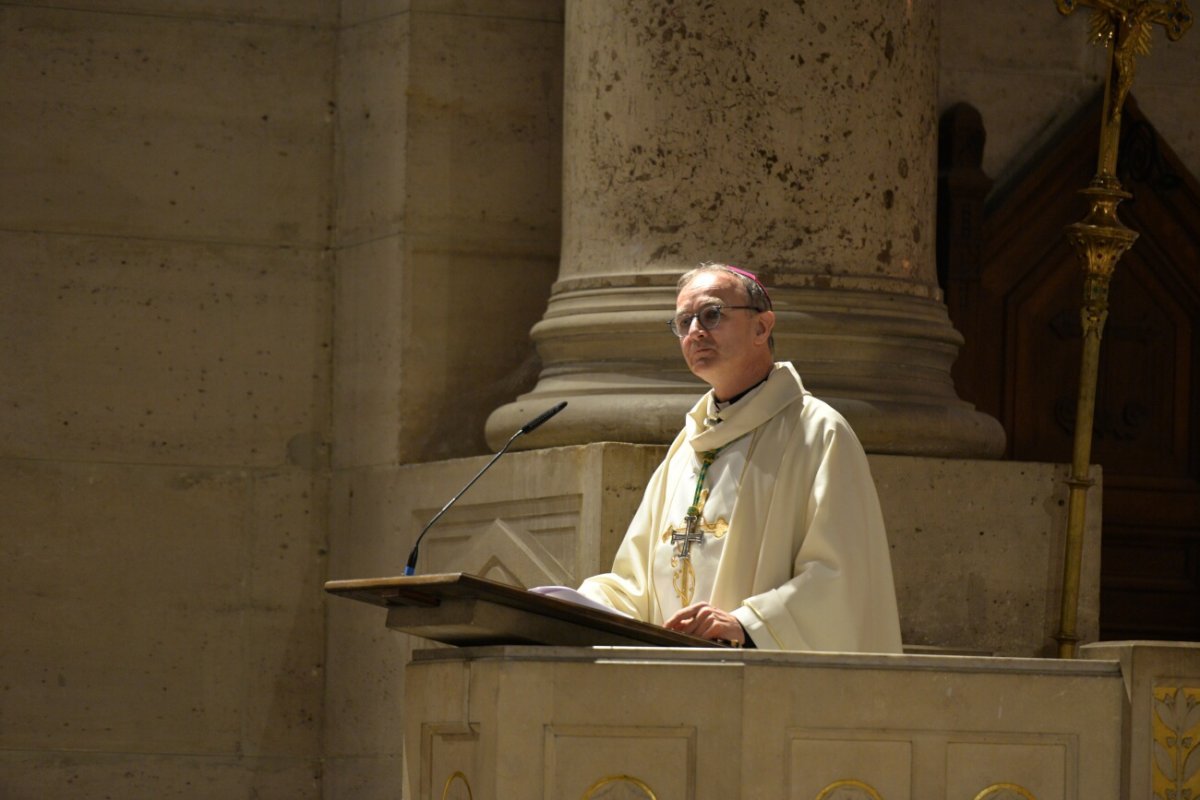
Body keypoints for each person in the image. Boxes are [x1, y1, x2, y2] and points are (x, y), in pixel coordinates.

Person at [577, 263, 903, 653]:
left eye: (712, 314)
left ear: (762, 328)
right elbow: (637, 585)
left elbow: (842, 578)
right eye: (684, 321)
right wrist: (581, 603)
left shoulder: (817, 433)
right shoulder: (686, 448)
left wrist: (748, 625)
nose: (696, 330)